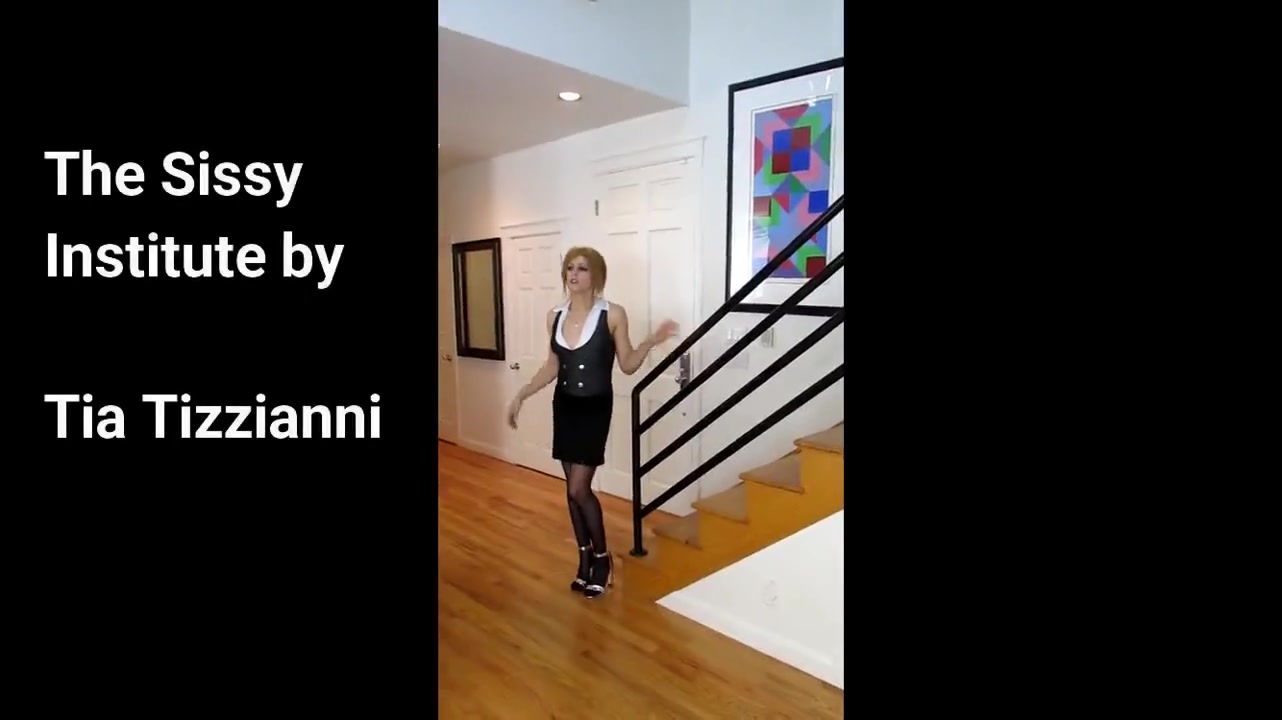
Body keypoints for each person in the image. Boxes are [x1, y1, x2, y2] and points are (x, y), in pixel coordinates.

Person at [506, 246, 678, 599]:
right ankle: (584, 558)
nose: (573, 274)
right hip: (565, 406)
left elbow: (627, 364)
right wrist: (523, 393)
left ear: (596, 276)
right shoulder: (554, 316)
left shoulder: (612, 314)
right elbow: (553, 365)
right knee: (570, 491)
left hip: (595, 408)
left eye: (582, 268)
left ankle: (602, 558)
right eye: (570, 268)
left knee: (578, 489)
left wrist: (651, 341)